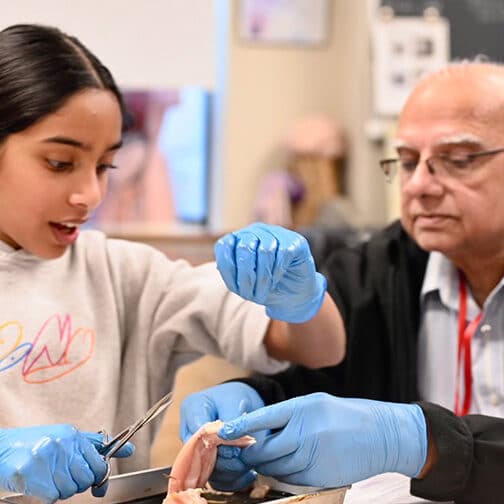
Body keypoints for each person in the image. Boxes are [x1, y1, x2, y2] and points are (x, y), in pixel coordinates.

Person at [0, 23, 346, 503]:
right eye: (60, 163)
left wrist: (301, 296)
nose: (90, 195)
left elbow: (320, 349)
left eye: (105, 166)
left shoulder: (124, 276)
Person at [180, 61, 504, 504]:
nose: (419, 186)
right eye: (408, 162)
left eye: (459, 160)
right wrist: (250, 406)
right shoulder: (377, 271)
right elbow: (311, 384)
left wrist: (423, 443)